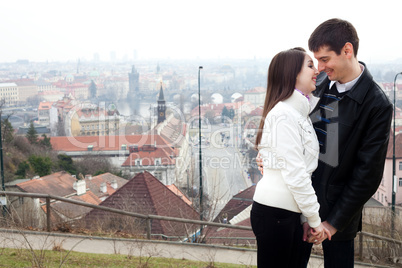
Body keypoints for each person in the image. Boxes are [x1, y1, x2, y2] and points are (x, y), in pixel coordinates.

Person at [257, 18, 393, 268]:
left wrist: (332, 222)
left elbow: (367, 174)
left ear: (347, 50)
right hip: (297, 202)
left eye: (325, 59)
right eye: (316, 60)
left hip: (338, 213)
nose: (319, 67)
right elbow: (285, 124)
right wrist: (270, 154)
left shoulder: (377, 104)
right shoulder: (314, 83)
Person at [251, 47, 331, 267]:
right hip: (275, 213)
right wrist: (315, 220)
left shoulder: (298, 114)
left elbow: (303, 171)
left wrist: (306, 219)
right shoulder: (283, 115)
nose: (317, 70)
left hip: (290, 214)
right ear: (292, 73)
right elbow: (296, 175)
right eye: (310, 65)